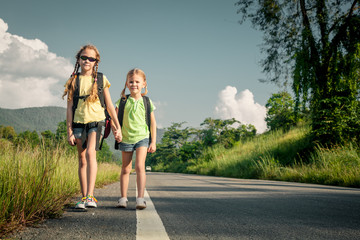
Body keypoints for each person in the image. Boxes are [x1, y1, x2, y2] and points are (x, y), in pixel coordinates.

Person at [62, 45, 122, 209]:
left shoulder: (102, 79)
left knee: (90, 154)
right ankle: (83, 197)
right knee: (82, 159)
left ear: (96, 62)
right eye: (84, 57)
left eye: (91, 58)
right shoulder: (73, 80)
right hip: (78, 123)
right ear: (78, 59)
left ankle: (90, 196)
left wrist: (117, 127)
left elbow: (109, 105)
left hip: (96, 122)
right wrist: (69, 131)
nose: (87, 61)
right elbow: (69, 108)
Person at [115, 68, 157, 210]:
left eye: (137, 82)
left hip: (142, 138)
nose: (134, 84)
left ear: (144, 84)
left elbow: (153, 123)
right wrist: (117, 131)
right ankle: (123, 198)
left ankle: (140, 198)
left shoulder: (147, 101)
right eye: (131, 81)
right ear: (127, 84)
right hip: (126, 138)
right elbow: (115, 119)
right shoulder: (122, 101)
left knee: (140, 166)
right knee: (126, 169)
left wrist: (153, 141)